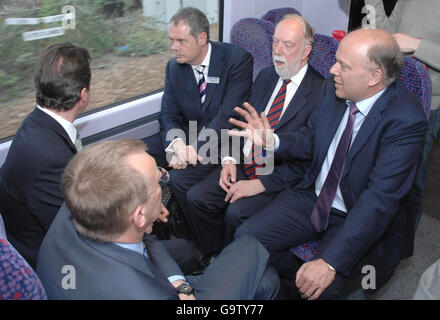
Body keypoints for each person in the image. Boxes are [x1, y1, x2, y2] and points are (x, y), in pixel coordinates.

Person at [229, 28, 427, 299]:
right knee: (246, 239)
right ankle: (289, 285)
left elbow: (379, 200)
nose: (332, 69)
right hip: (314, 195)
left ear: (374, 77)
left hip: (356, 211)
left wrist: (330, 262)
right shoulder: (333, 90)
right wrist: (272, 140)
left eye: (343, 66)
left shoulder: (406, 120)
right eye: (336, 60)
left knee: (325, 289)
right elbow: (311, 140)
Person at [36, 139, 279, 300]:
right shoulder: (142, 294)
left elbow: (139, 240)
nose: (165, 177)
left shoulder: (78, 201)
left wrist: (180, 284)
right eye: (160, 182)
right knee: (257, 261)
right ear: (138, 215)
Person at [184, 15, 324, 258]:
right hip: (244, 161)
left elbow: (310, 157)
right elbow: (242, 123)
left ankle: (232, 266)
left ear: (306, 51)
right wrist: (229, 159)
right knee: (197, 198)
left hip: (278, 176)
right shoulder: (267, 76)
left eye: (287, 45)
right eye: (274, 42)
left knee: (236, 213)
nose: (277, 51)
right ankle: (214, 256)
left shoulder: (321, 93)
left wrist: (260, 184)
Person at [159, 7, 253, 239]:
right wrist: (178, 145)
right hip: (193, 140)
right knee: (171, 178)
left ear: (202, 38)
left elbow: (227, 115)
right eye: (172, 40)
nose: (174, 47)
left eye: (180, 40)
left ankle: (213, 246)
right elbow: (169, 115)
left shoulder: (236, 60)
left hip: (228, 142)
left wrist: (193, 149)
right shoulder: (174, 68)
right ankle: (195, 240)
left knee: (192, 193)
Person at [0, 43, 91, 269]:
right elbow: (79, 232)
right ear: (83, 95)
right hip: (56, 263)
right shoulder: (51, 159)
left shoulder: (37, 124)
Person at [364, 0, 440, 227]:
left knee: (409, 176)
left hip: (426, 102)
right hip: (392, 91)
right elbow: (386, 36)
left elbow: (407, 42)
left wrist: (417, 44)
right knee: (378, 171)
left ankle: (401, 245)